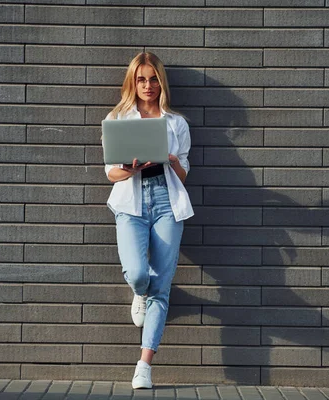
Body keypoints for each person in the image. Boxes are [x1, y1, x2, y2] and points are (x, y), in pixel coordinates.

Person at [103, 52, 194, 389]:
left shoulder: (176, 123)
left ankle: (144, 364)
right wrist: (128, 168)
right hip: (131, 202)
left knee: (163, 282)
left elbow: (183, 174)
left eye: (153, 79)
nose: (148, 85)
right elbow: (110, 172)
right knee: (139, 274)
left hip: (167, 203)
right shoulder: (118, 118)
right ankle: (139, 292)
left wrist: (170, 160)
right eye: (141, 79)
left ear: (161, 82)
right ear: (133, 81)